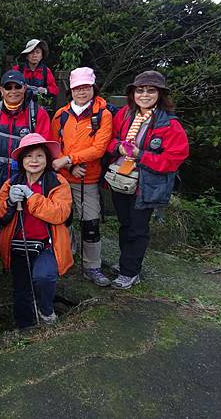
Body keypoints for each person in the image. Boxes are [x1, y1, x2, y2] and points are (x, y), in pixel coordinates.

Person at [105, 70, 188, 289]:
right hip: (122, 178)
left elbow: (173, 159)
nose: (144, 95)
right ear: (132, 94)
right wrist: (119, 146)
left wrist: (141, 155)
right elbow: (110, 139)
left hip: (146, 184)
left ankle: (131, 271)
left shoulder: (170, 124)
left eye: (150, 90)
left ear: (159, 94)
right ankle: (126, 263)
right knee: (124, 224)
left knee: (138, 228)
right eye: (140, 90)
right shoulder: (124, 114)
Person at [0, 133, 73, 328]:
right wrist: (9, 201)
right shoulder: (11, 182)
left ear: (47, 159)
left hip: (47, 245)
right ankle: (25, 329)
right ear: (21, 160)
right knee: (21, 292)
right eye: (28, 156)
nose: (34, 161)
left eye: (39, 156)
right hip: (18, 245)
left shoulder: (58, 182)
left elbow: (60, 213)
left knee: (44, 276)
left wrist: (32, 197)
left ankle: (46, 310)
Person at [51, 67, 113, 287]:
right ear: (71, 90)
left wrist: (70, 161)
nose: (81, 92)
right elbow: (54, 148)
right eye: (77, 88)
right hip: (64, 179)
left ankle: (92, 266)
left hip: (88, 179)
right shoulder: (61, 115)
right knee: (62, 221)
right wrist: (70, 167)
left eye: (86, 87)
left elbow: (99, 148)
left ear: (93, 88)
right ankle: (65, 259)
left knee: (91, 223)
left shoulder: (103, 114)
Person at [0, 70, 52, 199]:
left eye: (17, 86)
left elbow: (46, 148)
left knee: (23, 213)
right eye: (8, 87)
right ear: (2, 91)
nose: (13, 91)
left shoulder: (38, 114)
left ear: (24, 88)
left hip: (27, 174)